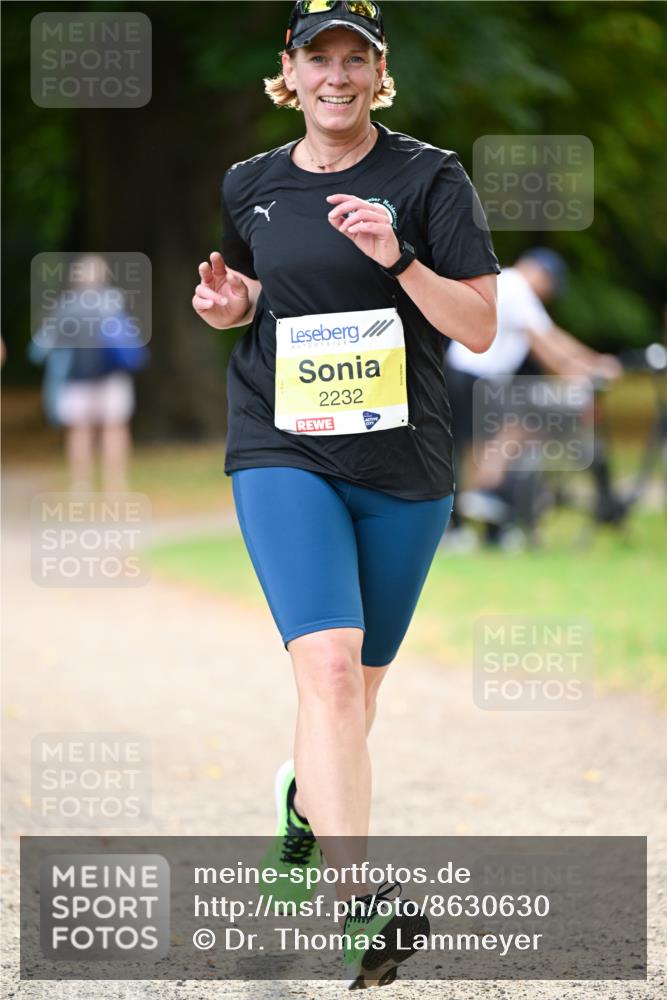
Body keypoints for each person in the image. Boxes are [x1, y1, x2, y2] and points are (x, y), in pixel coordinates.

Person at [192, 1, 499, 987]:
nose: (336, 74)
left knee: (355, 696)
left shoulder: (428, 176)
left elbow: (481, 329)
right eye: (316, 56)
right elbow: (245, 290)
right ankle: (354, 912)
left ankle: (301, 809)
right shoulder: (250, 183)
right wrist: (229, 304)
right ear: (288, 70)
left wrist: (398, 258)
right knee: (325, 671)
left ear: (379, 73)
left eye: (353, 58)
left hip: (403, 464)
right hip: (282, 446)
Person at [445, 248, 622, 544]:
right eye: (550, 287)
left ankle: (479, 522)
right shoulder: (516, 286)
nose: (548, 295)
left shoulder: (509, 285)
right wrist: (581, 370)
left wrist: (590, 361)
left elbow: (552, 336)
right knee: (514, 429)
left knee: (471, 450)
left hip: (466, 374)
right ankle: (479, 505)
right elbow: (544, 344)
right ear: (541, 274)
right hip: (474, 377)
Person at [29, 254, 148, 492]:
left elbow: (40, 348)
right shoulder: (114, 303)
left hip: (77, 379)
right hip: (112, 377)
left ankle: (81, 486)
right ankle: (116, 485)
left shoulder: (66, 307)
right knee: (114, 429)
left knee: (80, 431)